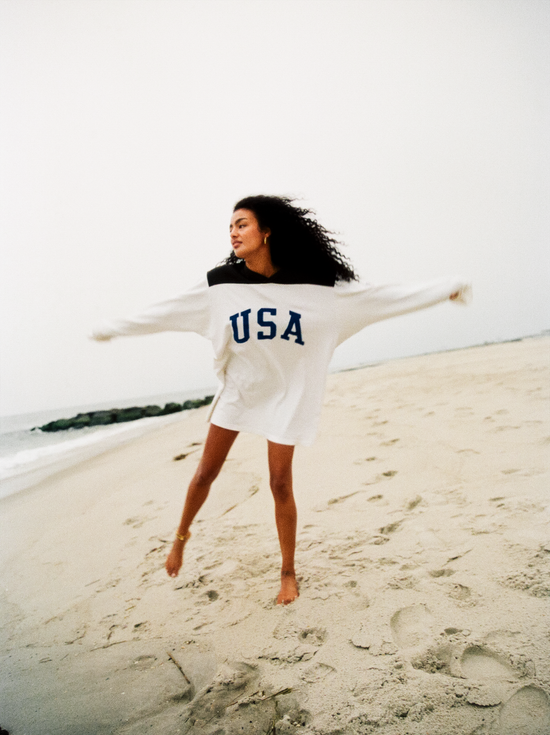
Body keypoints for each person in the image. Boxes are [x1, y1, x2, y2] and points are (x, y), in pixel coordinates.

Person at [92, 195, 469, 605]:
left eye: (242, 224)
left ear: (267, 231)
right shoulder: (221, 285)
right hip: (241, 390)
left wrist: (443, 290)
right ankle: (180, 539)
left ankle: (288, 572)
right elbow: (164, 312)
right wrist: (113, 328)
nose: (233, 233)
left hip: (287, 396)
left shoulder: (317, 286)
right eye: (230, 227)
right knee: (204, 473)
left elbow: (380, 298)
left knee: (280, 483)